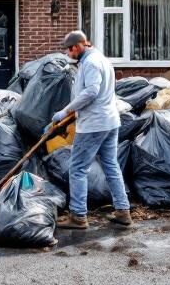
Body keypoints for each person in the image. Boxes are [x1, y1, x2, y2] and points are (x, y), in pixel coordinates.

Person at [51, 30, 132, 229]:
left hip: (94, 124)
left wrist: (66, 110)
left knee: (78, 168)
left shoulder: (91, 62)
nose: (69, 54)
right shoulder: (102, 60)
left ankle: (78, 215)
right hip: (109, 121)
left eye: (70, 50)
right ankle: (123, 211)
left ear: (79, 45)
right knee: (111, 166)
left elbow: (91, 91)